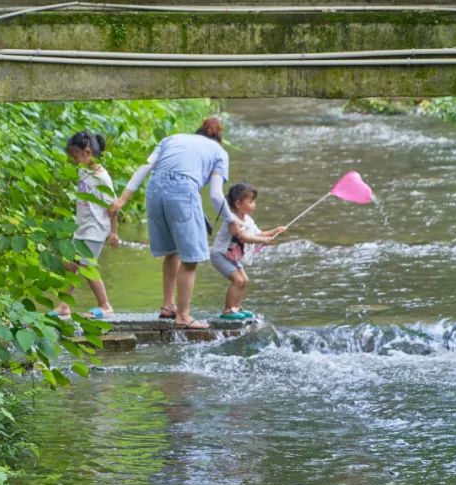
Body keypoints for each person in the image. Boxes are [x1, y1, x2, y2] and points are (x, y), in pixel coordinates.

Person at [107, 116, 237, 330]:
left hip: (154, 190)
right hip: (183, 192)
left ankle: (168, 306)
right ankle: (183, 315)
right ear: (218, 140)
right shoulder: (219, 152)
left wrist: (123, 199)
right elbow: (215, 195)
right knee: (191, 259)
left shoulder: (172, 139)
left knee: (172, 251)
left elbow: (144, 167)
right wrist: (231, 220)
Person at [53, 130, 120, 320]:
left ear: (87, 152)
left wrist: (113, 232)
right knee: (70, 265)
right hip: (81, 227)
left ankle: (105, 305)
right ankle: (65, 305)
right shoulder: (83, 171)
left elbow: (113, 207)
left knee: (86, 267)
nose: (73, 159)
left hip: (95, 229)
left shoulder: (102, 178)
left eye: (75, 155)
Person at [209, 183, 286, 319]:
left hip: (232, 257)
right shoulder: (232, 220)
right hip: (220, 255)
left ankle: (236, 307)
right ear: (238, 204)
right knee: (238, 280)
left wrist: (275, 231)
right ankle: (227, 310)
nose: (254, 205)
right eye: (251, 201)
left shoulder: (248, 220)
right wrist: (263, 241)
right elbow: (243, 238)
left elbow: (259, 234)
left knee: (245, 280)